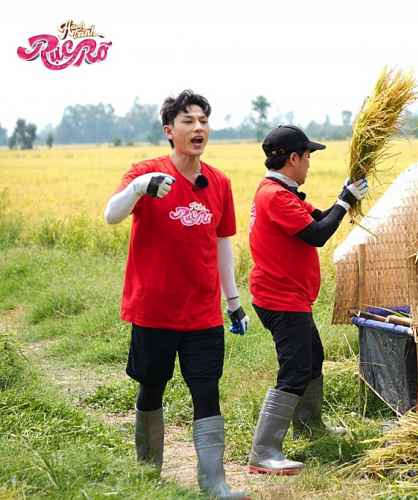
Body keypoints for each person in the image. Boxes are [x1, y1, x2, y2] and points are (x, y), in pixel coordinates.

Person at [104, 90, 248, 499]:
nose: (198, 127)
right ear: (170, 130)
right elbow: (110, 215)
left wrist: (233, 301)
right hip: (153, 311)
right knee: (152, 387)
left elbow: (223, 243)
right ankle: (148, 474)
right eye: (188, 120)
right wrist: (138, 190)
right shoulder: (144, 173)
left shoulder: (218, 182)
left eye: (203, 120)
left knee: (207, 389)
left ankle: (214, 482)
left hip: (203, 312)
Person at [246, 125, 368, 475]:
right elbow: (317, 235)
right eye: (308, 156)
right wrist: (345, 199)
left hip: (289, 297)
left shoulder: (283, 192)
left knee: (313, 357)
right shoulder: (276, 196)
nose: (310, 163)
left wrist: (347, 198)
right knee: (295, 369)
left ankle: (309, 426)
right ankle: (264, 451)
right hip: (280, 298)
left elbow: (318, 218)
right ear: (293, 157)